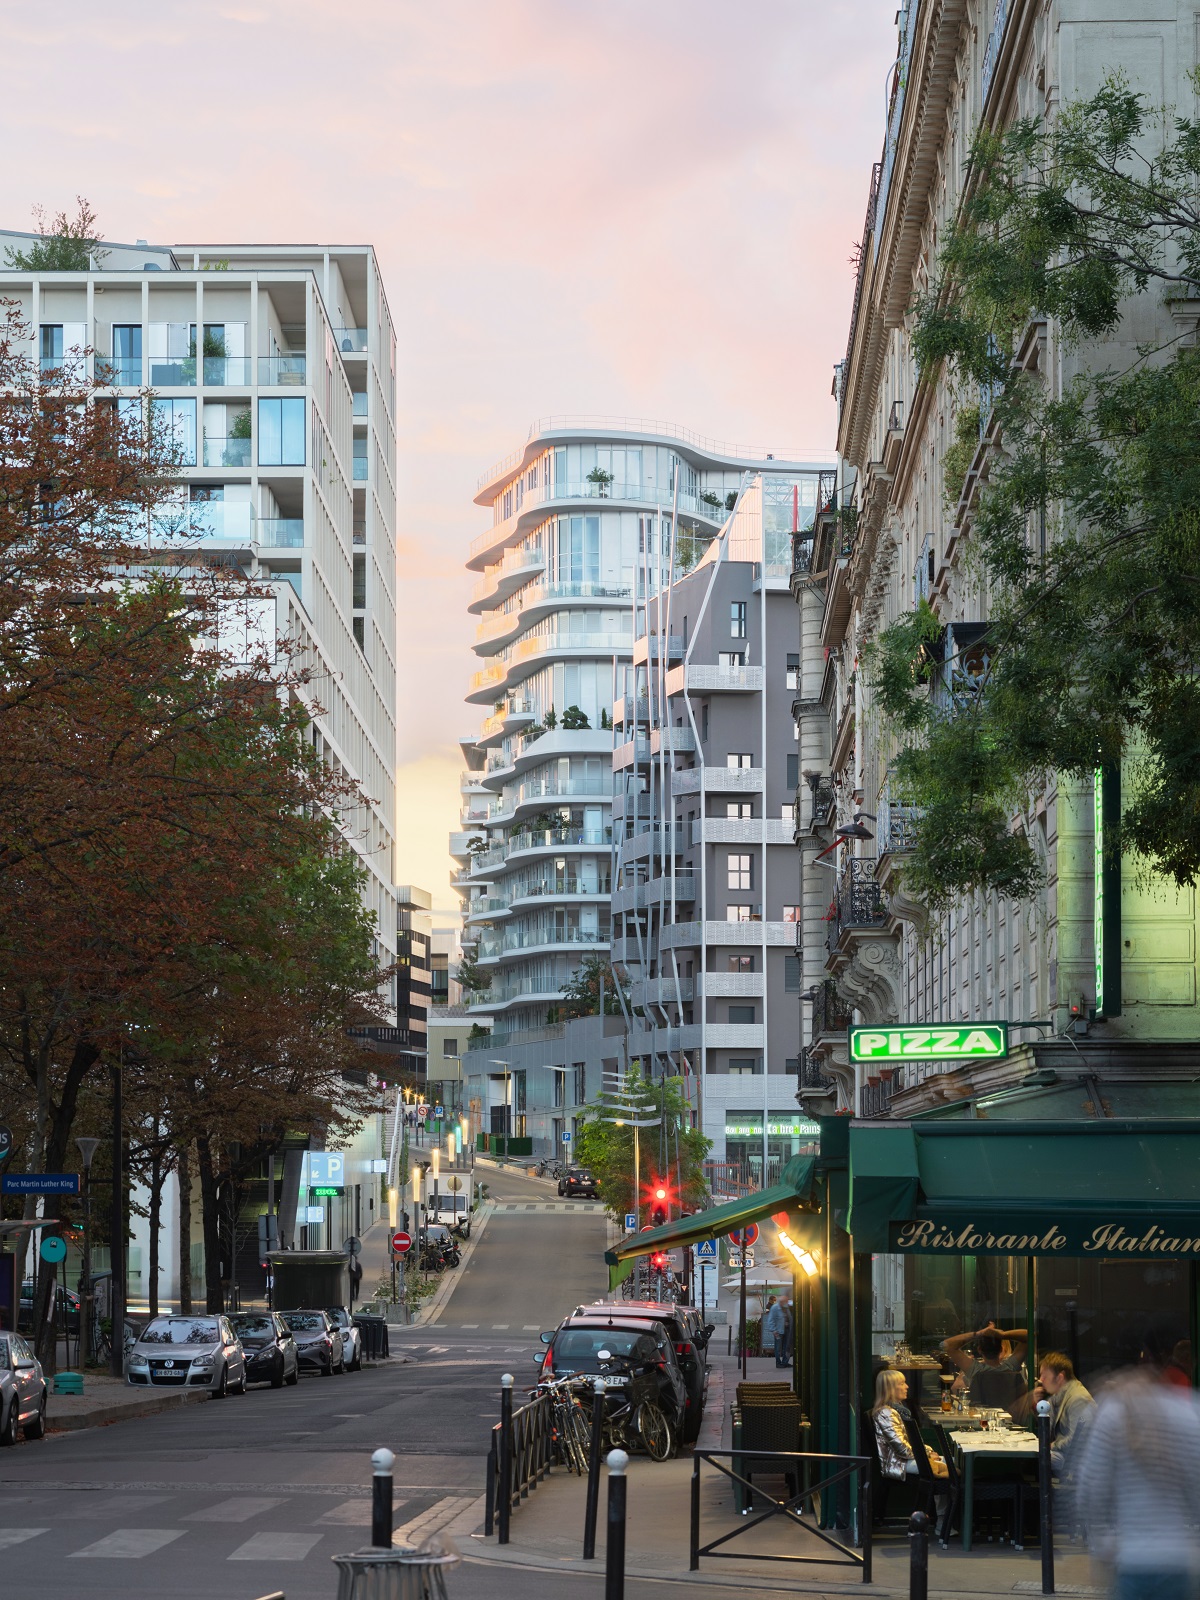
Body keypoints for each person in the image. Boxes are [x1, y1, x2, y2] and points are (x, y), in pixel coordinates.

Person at [1076, 1367, 1200, 1600]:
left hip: (1131, 1560)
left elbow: (1091, 1486)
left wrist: (1101, 1541)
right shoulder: (1189, 1412)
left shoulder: (1114, 1411)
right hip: (1178, 1560)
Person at [871, 1368, 949, 1484]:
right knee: (950, 1464)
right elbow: (902, 1449)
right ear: (890, 1389)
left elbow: (908, 1444)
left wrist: (927, 1450)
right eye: (902, 1384)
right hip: (897, 1464)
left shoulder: (896, 1411)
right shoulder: (886, 1413)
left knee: (951, 1462)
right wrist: (926, 1454)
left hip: (903, 1460)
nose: (907, 1387)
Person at [1032, 1352, 1095, 1477]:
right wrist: (1037, 1404)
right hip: (1064, 1455)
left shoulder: (1078, 1398)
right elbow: (1046, 1425)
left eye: (1044, 1376)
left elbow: (1077, 1440)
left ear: (1060, 1377)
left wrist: (1050, 1446)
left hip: (1072, 1463)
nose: (1041, 1380)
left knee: (1034, 1460)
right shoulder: (1061, 1395)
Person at [763, 1295, 786, 1367]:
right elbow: (770, 1319)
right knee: (778, 1348)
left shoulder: (784, 1308)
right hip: (778, 1331)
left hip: (784, 1330)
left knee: (784, 1347)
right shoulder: (774, 1307)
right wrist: (774, 1330)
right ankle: (778, 1363)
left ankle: (784, 1362)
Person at [780, 1295, 793, 1369]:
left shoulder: (787, 1308)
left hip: (787, 1329)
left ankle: (785, 1361)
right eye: (786, 1301)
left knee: (786, 1346)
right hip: (783, 1329)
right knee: (785, 1346)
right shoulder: (780, 1308)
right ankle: (783, 1362)